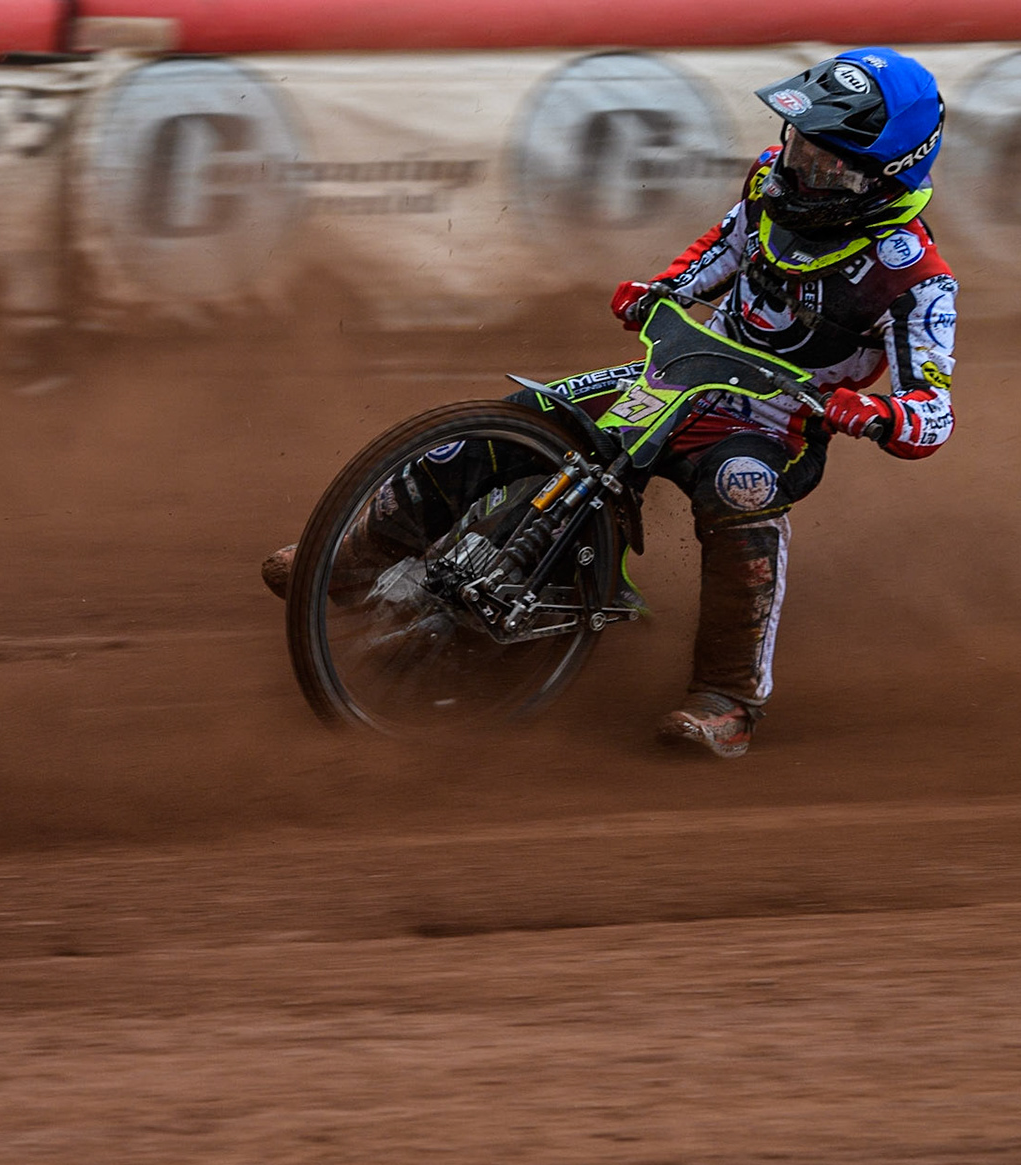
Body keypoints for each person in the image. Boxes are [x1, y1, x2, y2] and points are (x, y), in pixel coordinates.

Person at [263, 48, 955, 759]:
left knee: (737, 490)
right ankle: (350, 559)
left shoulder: (916, 278)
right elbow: (721, 246)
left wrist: (876, 415)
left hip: (775, 422)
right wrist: (663, 289)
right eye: (799, 144)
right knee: (529, 418)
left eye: (826, 162)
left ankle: (728, 700)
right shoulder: (767, 183)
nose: (800, 168)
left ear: (885, 177)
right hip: (683, 372)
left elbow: (933, 410)